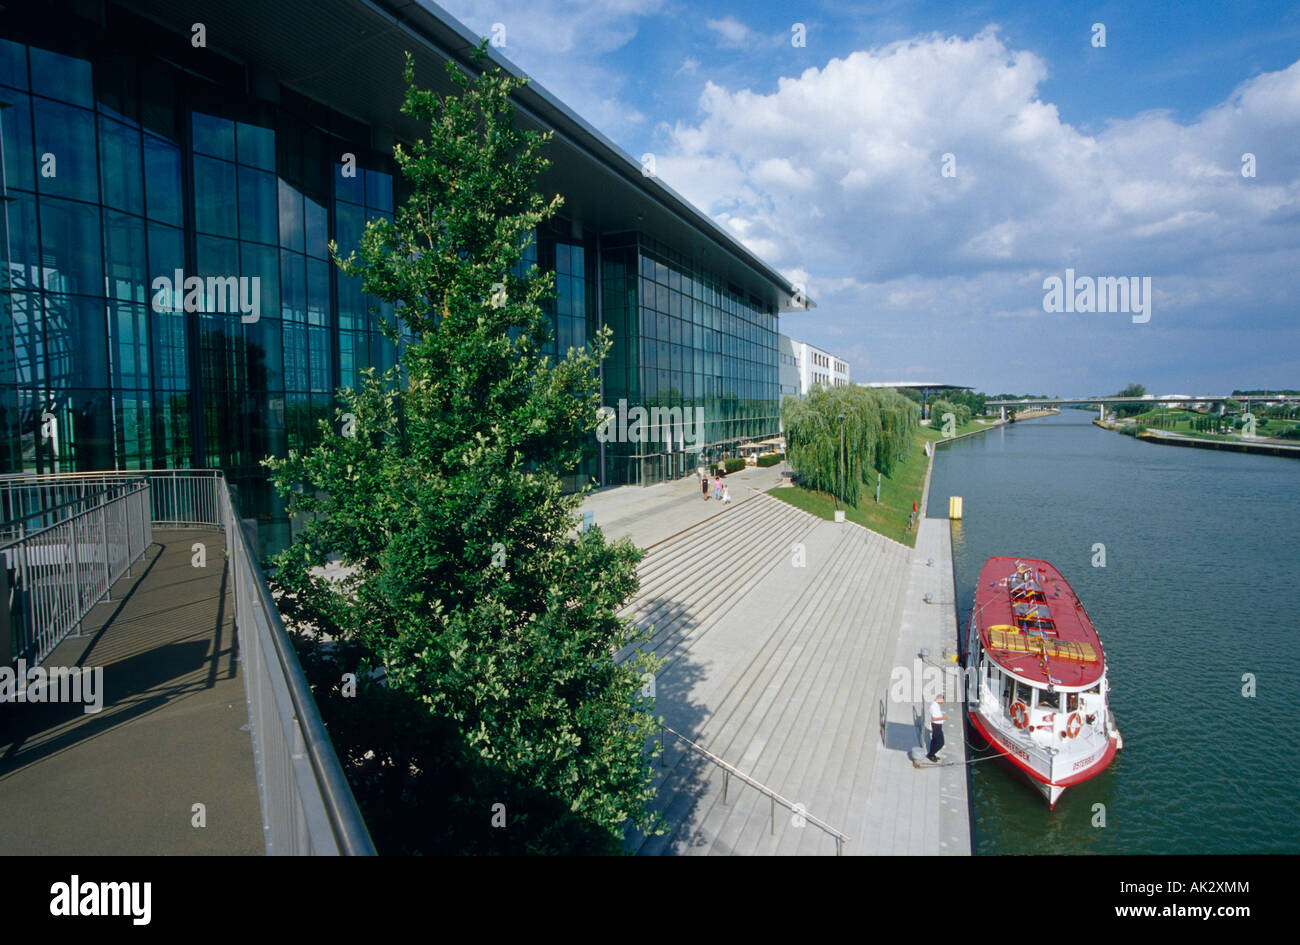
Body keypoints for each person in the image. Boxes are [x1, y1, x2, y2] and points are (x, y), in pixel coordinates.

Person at [927, 694, 946, 762]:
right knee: (940, 743)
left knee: (934, 740)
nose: (942, 702)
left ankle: (932, 753)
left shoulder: (936, 704)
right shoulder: (934, 707)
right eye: (942, 701)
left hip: (937, 725)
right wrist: (943, 718)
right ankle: (931, 754)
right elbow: (935, 718)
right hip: (936, 726)